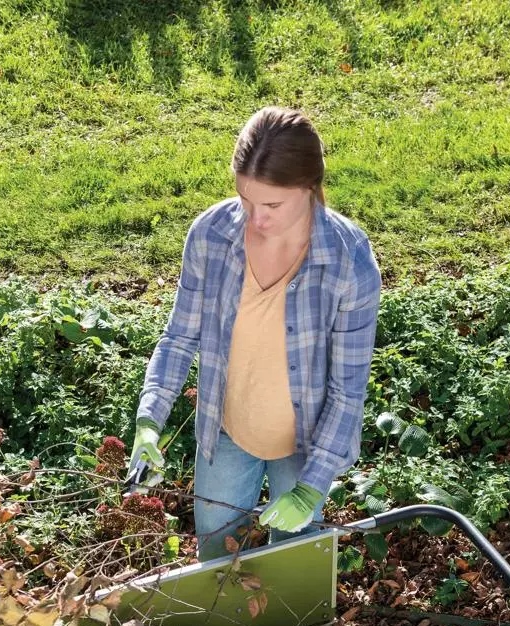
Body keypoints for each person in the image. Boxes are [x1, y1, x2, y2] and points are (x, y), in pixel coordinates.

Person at [129, 106, 381, 561]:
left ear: (310, 187)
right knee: (216, 561)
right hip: (228, 432)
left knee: (294, 567)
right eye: (246, 199)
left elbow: (348, 391)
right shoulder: (210, 235)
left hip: (305, 447)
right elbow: (179, 339)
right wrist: (150, 421)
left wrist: (311, 487)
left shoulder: (349, 261)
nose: (256, 219)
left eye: (272, 205)